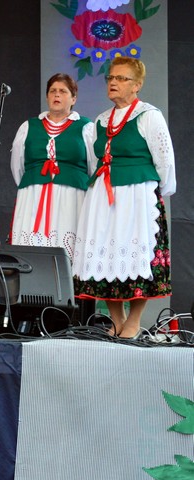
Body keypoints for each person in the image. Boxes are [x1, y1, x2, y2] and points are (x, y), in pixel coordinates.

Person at [74, 56, 175, 338]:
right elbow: (94, 161)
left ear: (137, 85)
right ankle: (117, 319)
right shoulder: (100, 120)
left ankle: (134, 320)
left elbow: (165, 160)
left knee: (138, 254)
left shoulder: (149, 115)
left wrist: (153, 193)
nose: (113, 82)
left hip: (137, 194)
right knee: (106, 254)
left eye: (121, 78)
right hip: (104, 196)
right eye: (111, 78)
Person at [10, 73, 95, 260]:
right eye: (52, 91)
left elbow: (94, 168)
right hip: (33, 196)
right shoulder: (28, 126)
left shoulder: (86, 127)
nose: (57, 95)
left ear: (73, 99)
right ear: (47, 96)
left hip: (72, 198)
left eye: (63, 91)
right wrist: (34, 182)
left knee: (67, 247)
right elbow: (18, 166)